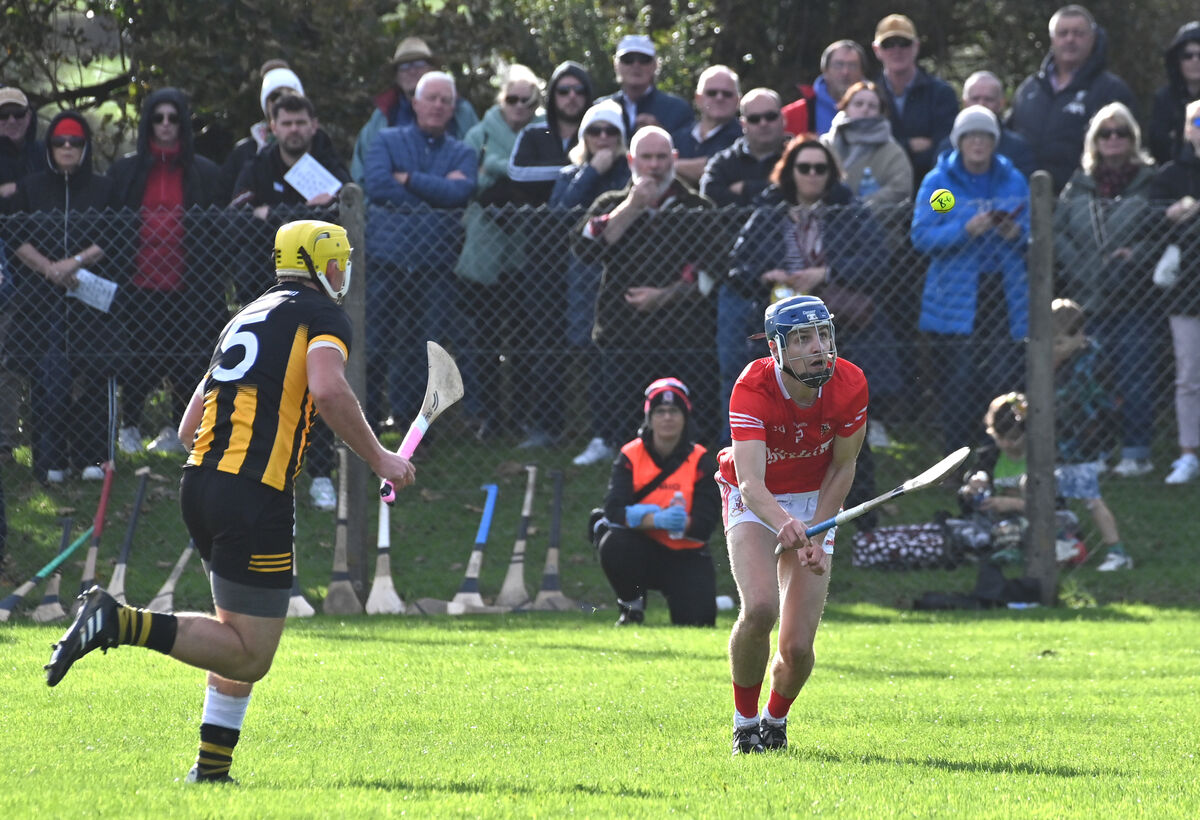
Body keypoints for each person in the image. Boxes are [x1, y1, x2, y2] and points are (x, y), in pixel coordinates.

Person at [44, 220, 417, 785]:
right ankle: (117, 622)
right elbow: (328, 388)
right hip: (253, 492)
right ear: (322, 265)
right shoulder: (323, 316)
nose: (343, 273)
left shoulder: (248, 313)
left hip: (202, 483)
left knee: (234, 634)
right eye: (338, 262)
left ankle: (211, 773)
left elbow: (191, 421)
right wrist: (380, 457)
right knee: (250, 654)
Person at [719, 294, 867, 755]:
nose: (817, 347)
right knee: (761, 607)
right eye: (802, 338)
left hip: (815, 499)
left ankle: (774, 722)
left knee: (798, 646)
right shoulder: (752, 387)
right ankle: (745, 725)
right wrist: (784, 523)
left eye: (822, 334)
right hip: (754, 497)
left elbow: (843, 468)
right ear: (777, 348)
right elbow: (750, 481)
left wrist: (818, 532)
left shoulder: (851, 383)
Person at [723, 134, 895, 451]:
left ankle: (857, 429)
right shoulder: (767, 213)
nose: (813, 174)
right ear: (791, 171)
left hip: (839, 317)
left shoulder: (849, 210)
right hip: (781, 317)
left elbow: (879, 260)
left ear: (831, 173)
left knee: (843, 379)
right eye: (805, 167)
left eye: (820, 168)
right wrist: (766, 276)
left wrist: (826, 273)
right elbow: (735, 267)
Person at [231, 93, 351, 511]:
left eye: (302, 122)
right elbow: (240, 216)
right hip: (262, 294)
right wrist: (302, 213)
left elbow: (341, 217)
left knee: (316, 385)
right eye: (287, 123)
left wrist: (275, 215)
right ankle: (263, 472)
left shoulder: (330, 166)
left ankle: (320, 474)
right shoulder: (256, 165)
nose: (295, 130)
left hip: (318, 297)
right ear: (273, 127)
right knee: (264, 385)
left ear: (313, 125)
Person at [572, 125, 720, 448]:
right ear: (631, 160)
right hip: (623, 334)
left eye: (661, 157)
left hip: (685, 335)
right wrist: (631, 206)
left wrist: (663, 297)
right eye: (646, 157)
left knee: (691, 429)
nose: (654, 165)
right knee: (629, 429)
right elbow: (585, 248)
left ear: (675, 159)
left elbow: (713, 273)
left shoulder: (696, 207)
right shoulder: (610, 203)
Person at [108, 88, 226, 460]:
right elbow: (111, 225)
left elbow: (218, 230)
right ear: (148, 123)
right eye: (157, 118)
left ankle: (176, 429)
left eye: (172, 118)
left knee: (185, 357)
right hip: (137, 282)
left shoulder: (203, 172)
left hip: (188, 285)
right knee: (138, 354)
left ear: (182, 123)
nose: (164, 125)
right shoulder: (126, 170)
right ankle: (129, 427)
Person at [910, 105, 1030, 453]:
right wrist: (964, 230)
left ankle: (1002, 454)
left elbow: (1033, 233)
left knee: (1003, 377)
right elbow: (923, 235)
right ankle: (958, 459)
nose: (978, 143)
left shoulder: (1014, 179)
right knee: (959, 380)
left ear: (995, 141)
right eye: (971, 136)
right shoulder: (940, 184)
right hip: (956, 298)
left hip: (1004, 295)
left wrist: (1015, 233)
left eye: (985, 136)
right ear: (959, 141)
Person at [363, 71, 475, 433]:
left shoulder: (463, 152)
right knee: (375, 345)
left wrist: (408, 179)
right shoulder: (386, 139)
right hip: (386, 262)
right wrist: (436, 193)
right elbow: (378, 185)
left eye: (446, 100)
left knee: (426, 351)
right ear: (415, 103)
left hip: (436, 267)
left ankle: (417, 433)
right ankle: (366, 425)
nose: (439, 106)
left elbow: (460, 195)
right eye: (432, 98)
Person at [1054, 102, 1158, 478]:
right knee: (1089, 381)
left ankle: (1136, 451)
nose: (1113, 139)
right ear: (1093, 141)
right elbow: (1058, 231)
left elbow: (1162, 232)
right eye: (1105, 133)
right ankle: (1093, 452)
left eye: (1121, 133)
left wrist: (1136, 256)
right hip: (1088, 300)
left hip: (1135, 299)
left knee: (1135, 376)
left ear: (1133, 138)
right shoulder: (1078, 183)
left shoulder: (1151, 180)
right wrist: (1081, 263)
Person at [9, 112, 114, 484]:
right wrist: (48, 268)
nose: (67, 148)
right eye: (60, 142)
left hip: (89, 298)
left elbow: (112, 235)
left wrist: (75, 263)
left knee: (93, 374)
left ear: (86, 147)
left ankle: (91, 457)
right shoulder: (31, 187)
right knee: (48, 378)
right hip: (43, 300)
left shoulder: (103, 188)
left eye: (75, 142)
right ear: (49, 147)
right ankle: (50, 461)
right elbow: (15, 235)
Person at [457, 64, 548, 445]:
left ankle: (526, 415)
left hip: (527, 251)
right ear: (502, 99)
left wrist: (497, 169)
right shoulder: (478, 132)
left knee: (526, 341)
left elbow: (545, 175)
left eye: (527, 100)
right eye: (512, 99)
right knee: (485, 340)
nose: (518, 106)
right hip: (484, 253)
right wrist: (510, 172)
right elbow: (468, 177)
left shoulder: (542, 132)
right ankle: (491, 416)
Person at [597, 377, 720, 626]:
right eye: (660, 411)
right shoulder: (630, 455)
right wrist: (655, 519)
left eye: (674, 411)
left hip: (686, 554)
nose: (667, 418)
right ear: (649, 417)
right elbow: (613, 510)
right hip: (640, 550)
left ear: (685, 416)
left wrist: (682, 523)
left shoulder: (702, 461)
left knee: (699, 622)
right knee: (614, 543)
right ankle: (631, 608)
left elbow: (705, 525)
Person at [550, 101, 631, 466]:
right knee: (592, 357)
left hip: (623, 278)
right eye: (595, 131)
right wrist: (590, 173)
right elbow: (559, 214)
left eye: (611, 132)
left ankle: (627, 437)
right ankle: (601, 436)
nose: (602, 138)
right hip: (582, 280)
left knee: (623, 358)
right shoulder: (572, 174)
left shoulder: (629, 173)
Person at [1007, 4, 1137, 193]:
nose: (1070, 39)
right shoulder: (1029, 89)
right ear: (1052, 40)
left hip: (1082, 202)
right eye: (1063, 33)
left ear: (1092, 38)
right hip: (1027, 199)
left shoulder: (1111, 90)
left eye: (1078, 33)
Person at [1049, 299, 1130, 570]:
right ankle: (1064, 544)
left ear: (1079, 336)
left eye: (1059, 343)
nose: (1053, 349)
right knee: (1046, 491)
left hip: (1083, 442)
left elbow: (1074, 399)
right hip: (1058, 442)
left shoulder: (1090, 362)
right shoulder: (1059, 361)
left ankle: (1117, 552)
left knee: (1090, 498)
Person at [1149, 96, 1200, 485]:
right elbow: (1148, 223)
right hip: (1187, 292)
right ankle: (1187, 454)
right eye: (1197, 122)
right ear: (1186, 130)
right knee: (1188, 375)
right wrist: (1169, 216)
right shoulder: (1169, 176)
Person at [350, 36, 478, 185]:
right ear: (397, 76)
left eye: (419, 63)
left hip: (452, 200)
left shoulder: (460, 110)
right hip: (392, 202)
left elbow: (476, 161)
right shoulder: (383, 115)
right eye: (404, 67)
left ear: (432, 69)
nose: (412, 71)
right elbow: (363, 168)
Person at [871, 14, 958, 190]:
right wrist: (909, 145)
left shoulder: (942, 93)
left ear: (916, 47)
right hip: (881, 191)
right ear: (876, 50)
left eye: (904, 43)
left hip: (933, 189)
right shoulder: (867, 96)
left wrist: (893, 146)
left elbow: (946, 147)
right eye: (888, 44)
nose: (897, 50)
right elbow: (869, 148)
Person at [507, 61, 594, 205]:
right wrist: (584, 170)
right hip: (536, 222)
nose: (572, 96)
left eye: (579, 90)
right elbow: (517, 172)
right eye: (563, 91)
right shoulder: (532, 134)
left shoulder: (601, 133)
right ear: (552, 96)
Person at [217, 62, 306, 202]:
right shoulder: (244, 153)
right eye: (275, 96)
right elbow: (224, 208)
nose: (283, 100)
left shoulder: (319, 150)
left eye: (291, 94)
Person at [820, 80, 913, 207]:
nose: (865, 109)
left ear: (880, 113)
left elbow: (900, 189)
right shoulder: (824, 145)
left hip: (874, 224)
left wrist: (860, 208)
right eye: (858, 104)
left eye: (872, 106)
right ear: (845, 107)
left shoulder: (893, 152)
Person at [934, 71, 1036, 178]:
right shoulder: (947, 148)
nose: (981, 104)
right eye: (975, 99)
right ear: (965, 102)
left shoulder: (1019, 149)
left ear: (1001, 104)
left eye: (988, 99)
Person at [701, 89, 788, 209]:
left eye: (770, 116)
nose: (763, 123)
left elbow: (808, 190)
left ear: (783, 119)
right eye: (754, 119)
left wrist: (746, 188)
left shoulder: (798, 156)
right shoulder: (722, 163)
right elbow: (710, 198)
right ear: (743, 124)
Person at [600, 35, 693, 138]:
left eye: (644, 59)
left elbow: (688, 150)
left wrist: (661, 134)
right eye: (628, 59)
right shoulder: (600, 108)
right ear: (616, 65)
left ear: (656, 65)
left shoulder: (677, 109)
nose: (636, 65)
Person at [671, 65, 743, 187]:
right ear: (698, 98)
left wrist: (669, 166)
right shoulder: (678, 137)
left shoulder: (744, 137)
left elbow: (717, 169)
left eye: (727, 94)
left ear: (738, 100)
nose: (719, 98)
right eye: (712, 93)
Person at [782, 40, 867, 138]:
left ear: (862, 72)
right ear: (825, 70)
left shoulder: (876, 110)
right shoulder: (793, 115)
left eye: (853, 65)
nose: (845, 72)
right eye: (838, 65)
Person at [1149, 21, 1200, 166]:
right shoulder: (1163, 99)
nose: (1195, 61)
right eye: (1187, 56)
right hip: (1174, 178)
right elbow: (1158, 144)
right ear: (1178, 61)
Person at [0, 85, 47, 200]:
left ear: (29, 116)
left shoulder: (46, 153)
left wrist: (19, 186)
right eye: (3, 115)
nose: (12, 121)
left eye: (18, 113)